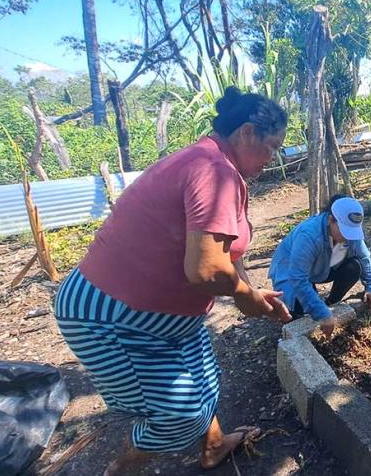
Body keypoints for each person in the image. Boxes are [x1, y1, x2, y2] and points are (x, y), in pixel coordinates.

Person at [53, 87, 292, 475]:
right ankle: (122, 468)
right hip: (111, 315)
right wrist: (245, 296)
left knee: (207, 383)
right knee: (179, 417)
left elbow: (228, 254)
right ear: (247, 132)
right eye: (272, 147)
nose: (273, 158)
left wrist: (250, 287)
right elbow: (206, 269)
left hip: (167, 319)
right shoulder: (213, 171)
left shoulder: (218, 165)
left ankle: (213, 446)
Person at [269, 194, 371, 338]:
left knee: (353, 267)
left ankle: (331, 302)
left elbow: (364, 257)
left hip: (321, 267)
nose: (349, 236)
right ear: (330, 220)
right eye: (344, 230)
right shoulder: (309, 235)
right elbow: (297, 277)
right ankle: (302, 310)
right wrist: (321, 313)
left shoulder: (350, 234)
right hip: (289, 272)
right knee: (300, 311)